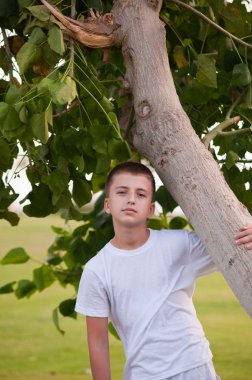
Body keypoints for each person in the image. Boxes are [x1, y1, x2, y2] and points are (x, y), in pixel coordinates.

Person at [75, 161, 252, 380]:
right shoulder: (96, 270)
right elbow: (98, 342)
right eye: (122, 192)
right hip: (144, 374)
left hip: (196, 368)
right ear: (108, 204)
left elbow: (235, 239)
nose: (131, 199)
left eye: (141, 194)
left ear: (151, 209)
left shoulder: (180, 244)